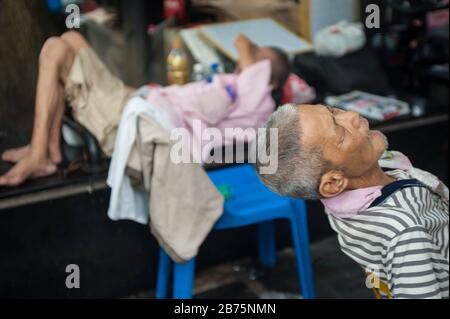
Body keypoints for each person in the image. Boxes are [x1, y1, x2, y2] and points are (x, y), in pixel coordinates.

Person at [0, 31, 290, 186]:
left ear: (268, 76)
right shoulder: (241, 86)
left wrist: (255, 54)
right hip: (141, 102)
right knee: (71, 39)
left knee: (55, 49)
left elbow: (240, 40)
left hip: (141, 122)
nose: (250, 56)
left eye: (260, 58)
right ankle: (48, 150)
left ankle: (39, 154)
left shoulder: (259, 98)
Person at [256, 103, 449, 299]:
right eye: (341, 133)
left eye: (333, 111)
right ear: (333, 183)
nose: (353, 115)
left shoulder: (346, 195)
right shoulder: (404, 233)